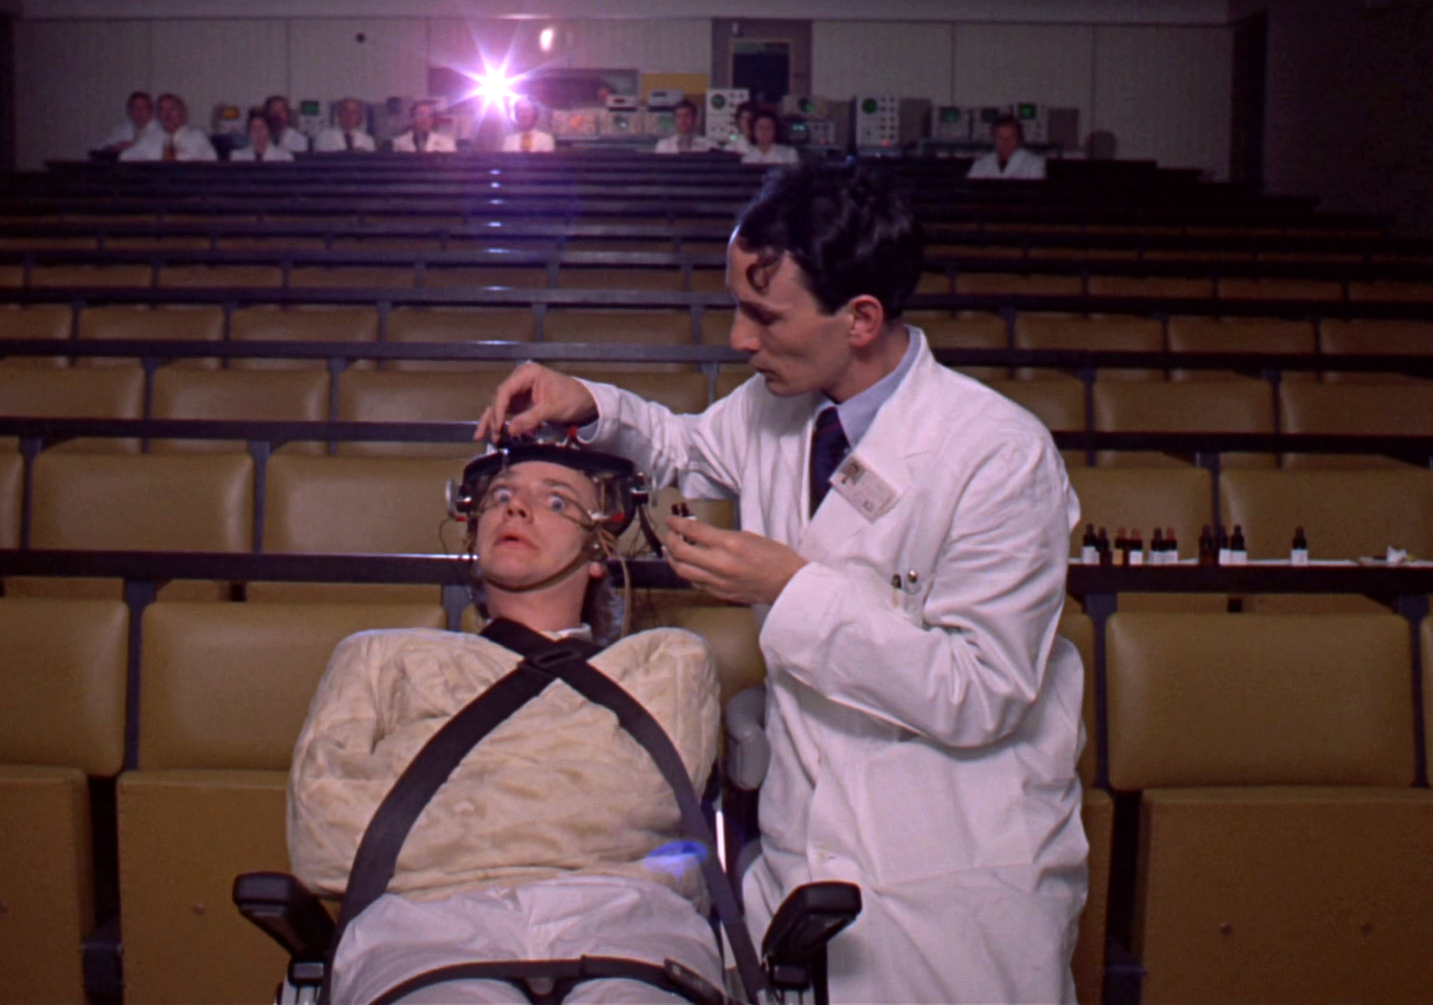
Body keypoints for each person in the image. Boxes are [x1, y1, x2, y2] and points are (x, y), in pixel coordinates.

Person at [476, 161, 1088, 1004]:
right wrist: (591, 402)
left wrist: (792, 587)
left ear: (860, 318)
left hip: (951, 867)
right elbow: (685, 447)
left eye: (764, 315)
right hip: (805, 850)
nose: (738, 338)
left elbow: (980, 692)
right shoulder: (780, 404)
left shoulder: (997, 455)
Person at [287, 440, 723, 1004]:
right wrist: (569, 797)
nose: (516, 508)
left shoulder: (663, 661)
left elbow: (641, 802)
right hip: (424, 938)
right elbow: (326, 843)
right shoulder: (380, 656)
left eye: (557, 502)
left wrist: (442, 818)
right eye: (500, 497)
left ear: (599, 550)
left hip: (628, 931)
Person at [119, 92, 217, 162]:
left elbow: (212, 160)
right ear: (158, 116)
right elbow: (125, 157)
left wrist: (178, 156)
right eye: (162, 110)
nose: (167, 115)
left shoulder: (197, 136)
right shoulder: (150, 138)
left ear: (183, 113)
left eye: (172, 109)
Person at [967, 113, 1047, 180]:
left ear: (1019, 139)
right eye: (1000, 138)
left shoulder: (1034, 164)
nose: (1005, 142)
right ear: (993, 139)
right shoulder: (981, 164)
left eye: (1011, 138)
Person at [93, 90, 154, 158]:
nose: (139, 111)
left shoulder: (159, 131)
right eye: (135, 107)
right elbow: (98, 151)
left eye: (143, 107)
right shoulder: (122, 129)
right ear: (129, 111)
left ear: (151, 110)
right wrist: (114, 149)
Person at [391, 99, 458, 153]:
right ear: (412, 118)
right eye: (420, 115)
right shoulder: (399, 143)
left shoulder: (447, 142)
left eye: (429, 115)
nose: (425, 119)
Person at [313, 97, 377, 152]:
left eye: (354, 111)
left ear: (359, 117)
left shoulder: (368, 141)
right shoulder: (323, 137)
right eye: (345, 110)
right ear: (339, 114)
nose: (349, 115)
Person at [228, 109, 293, 163]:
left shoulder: (284, 157)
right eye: (254, 128)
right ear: (249, 133)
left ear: (269, 131)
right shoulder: (237, 157)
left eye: (262, 128)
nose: (258, 132)